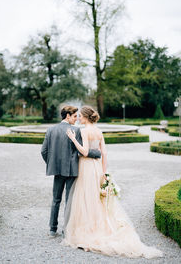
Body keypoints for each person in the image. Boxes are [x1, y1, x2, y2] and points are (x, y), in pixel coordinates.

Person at [64, 105, 163, 259]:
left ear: (85, 117)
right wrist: (104, 173)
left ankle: (88, 231)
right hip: (97, 168)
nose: (78, 118)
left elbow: (84, 151)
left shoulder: (83, 131)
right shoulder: (98, 131)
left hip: (86, 167)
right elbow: (104, 153)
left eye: (80, 116)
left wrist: (72, 139)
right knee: (98, 199)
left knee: (86, 198)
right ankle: (99, 227)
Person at [41, 105, 101, 238]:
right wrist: (97, 153)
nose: (76, 119)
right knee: (69, 200)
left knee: (56, 199)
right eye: (74, 116)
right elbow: (82, 151)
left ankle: (52, 229)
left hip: (57, 170)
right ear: (67, 116)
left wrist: (52, 164)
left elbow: (43, 151)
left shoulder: (50, 130)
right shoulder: (76, 131)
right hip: (72, 170)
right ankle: (66, 229)